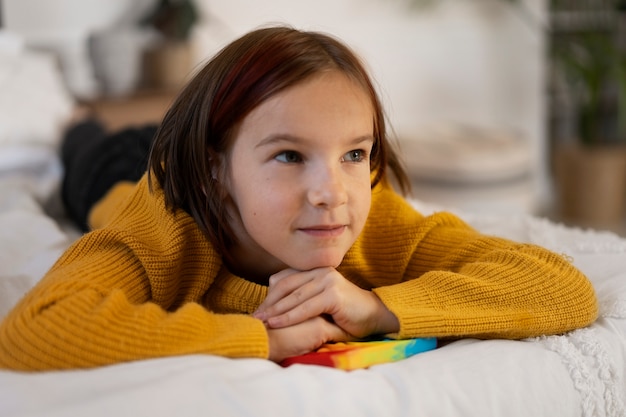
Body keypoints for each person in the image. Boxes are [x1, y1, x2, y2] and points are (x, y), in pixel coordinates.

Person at [0, 25, 598, 371]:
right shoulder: (165, 225)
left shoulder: (368, 211)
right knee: (83, 146)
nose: (331, 194)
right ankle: (78, 123)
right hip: (124, 174)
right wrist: (265, 339)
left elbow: (560, 288)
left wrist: (378, 308)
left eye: (354, 153)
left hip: (212, 141)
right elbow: (37, 328)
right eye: (290, 155)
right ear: (216, 170)